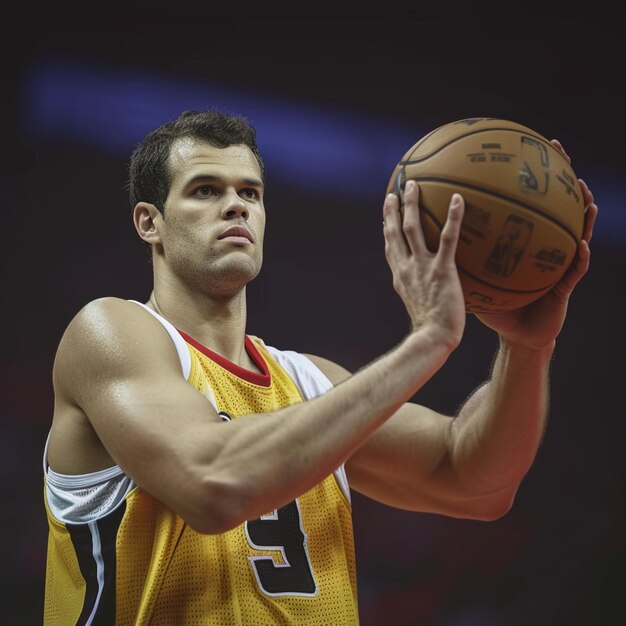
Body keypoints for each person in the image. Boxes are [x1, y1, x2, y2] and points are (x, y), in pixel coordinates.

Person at [42, 109, 597, 626]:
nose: (235, 206)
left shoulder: (308, 382)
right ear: (149, 223)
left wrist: (527, 350)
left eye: (250, 193)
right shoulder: (108, 332)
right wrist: (428, 342)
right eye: (205, 190)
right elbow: (213, 485)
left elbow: (476, 483)